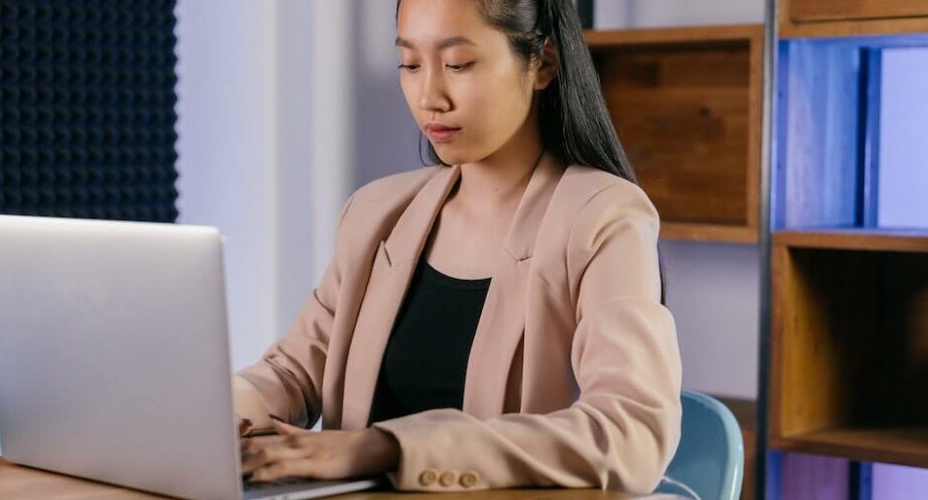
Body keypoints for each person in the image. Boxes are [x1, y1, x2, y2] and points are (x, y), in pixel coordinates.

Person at [233, 0, 682, 493]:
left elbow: (631, 435)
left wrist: (386, 447)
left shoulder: (603, 216)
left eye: (458, 65)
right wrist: (211, 417)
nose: (430, 97)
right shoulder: (376, 213)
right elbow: (293, 371)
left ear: (544, 63)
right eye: (410, 64)